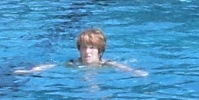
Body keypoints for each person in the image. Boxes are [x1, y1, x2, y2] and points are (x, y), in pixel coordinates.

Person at [19, 27, 148, 76]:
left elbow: (124, 68)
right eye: (84, 47)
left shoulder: (106, 64)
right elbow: (51, 66)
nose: (87, 52)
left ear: (100, 51)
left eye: (92, 48)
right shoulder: (73, 63)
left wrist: (135, 72)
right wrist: (30, 71)